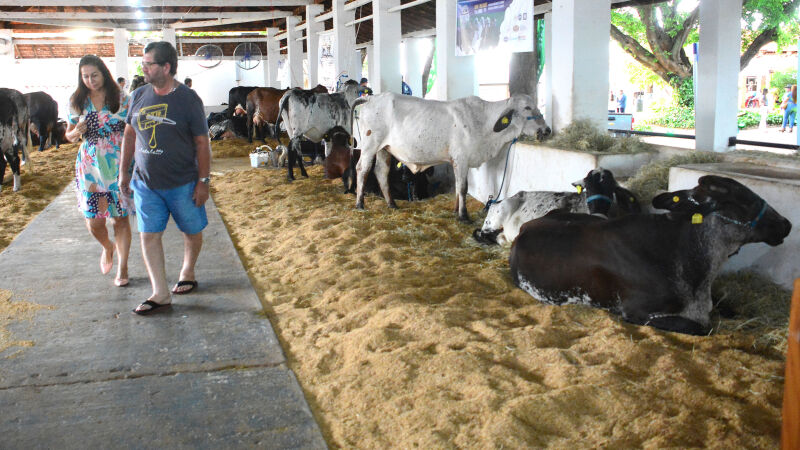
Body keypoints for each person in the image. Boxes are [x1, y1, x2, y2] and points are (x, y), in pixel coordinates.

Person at [119, 41, 211, 315]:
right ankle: (160, 292)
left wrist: (203, 182)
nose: (143, 68)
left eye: (148, 63)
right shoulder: (137, 95)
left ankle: (187, 270)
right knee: (148, 235)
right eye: (143, 63)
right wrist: (123, 171)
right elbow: (129, 135)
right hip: (146, 183)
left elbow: (202, 143)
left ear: (166, 67)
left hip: (183, 181)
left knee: (192, 232)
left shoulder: (188, 100)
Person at [64, 55, 132, 288]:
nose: (91, 80)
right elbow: (69, 135)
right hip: (90, 166)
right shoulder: (77, 100)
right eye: (85, 76)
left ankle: (123, 268)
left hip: (118, 162)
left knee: (120, 218)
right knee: (94, 220)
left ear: (104, 73)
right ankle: (107, 247)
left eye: (94, 75)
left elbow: (132, 129)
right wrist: (76, 132)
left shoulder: (121, 97)